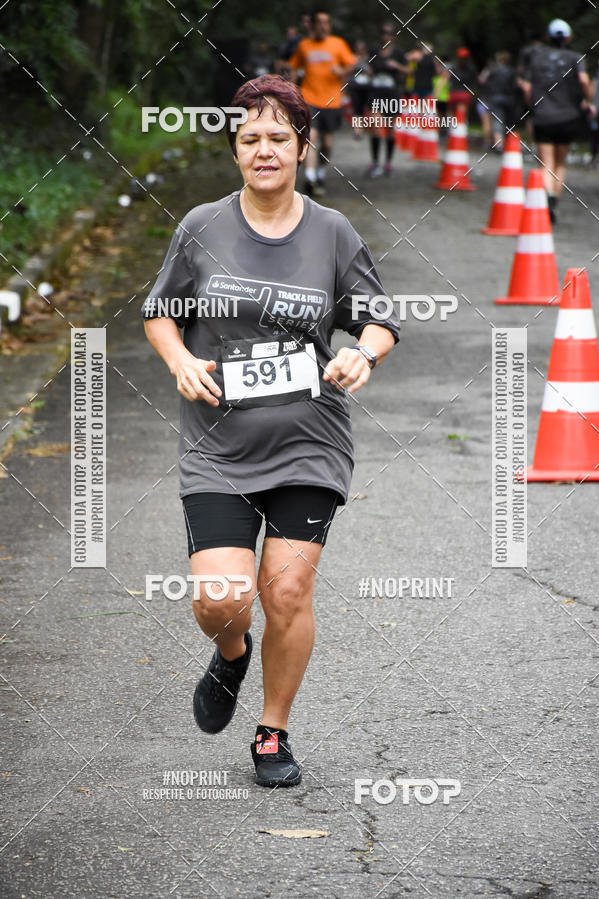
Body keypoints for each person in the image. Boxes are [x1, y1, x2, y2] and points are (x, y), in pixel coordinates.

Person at [142, 74, 400, 788]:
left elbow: (378, 318)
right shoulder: (201, 227)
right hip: (218, 446)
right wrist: (181, 358)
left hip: (308, 440)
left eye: (278, 138)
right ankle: (231, 652)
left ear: (301, 147)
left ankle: (272, 729)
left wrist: (362, 351)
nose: (264, 149)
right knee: (223, 597)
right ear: (235, 150)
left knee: (286, 591)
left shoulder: (332, 231)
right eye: (250, 137)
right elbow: (160, 310)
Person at [519, 18, 594, 223]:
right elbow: (584, 80)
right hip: (568, 116)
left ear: (548, 37)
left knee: (546, 162)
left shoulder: (536, 58)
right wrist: (587, 100)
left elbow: (527, 87)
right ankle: (554, 201)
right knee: (560, 163)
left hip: (543, 116)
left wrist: (532, 107)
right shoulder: (576, 58)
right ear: (568, 37)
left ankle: (547, 197)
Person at [288, 10, 356, 196]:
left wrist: (341, 72)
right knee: (311, 137)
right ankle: (309, 177)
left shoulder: (338, 44)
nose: (323, 25)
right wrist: (294, 89)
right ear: (314, 25)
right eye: (320, 22)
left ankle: (320, 172)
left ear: (329, 26)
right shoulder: (304, 45)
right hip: (309, 98)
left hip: (332, 101)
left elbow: (351, 64)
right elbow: (294, 66)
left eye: (326, 22)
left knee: (327, 144)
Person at [367, 23, 408, 176]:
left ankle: (388, 163)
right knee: (376, 129)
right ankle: (375, 163)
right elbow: (369, 68)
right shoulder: (374, 51)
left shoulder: (398, 53)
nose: (386, 36)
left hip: (392, 95)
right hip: (376, 94)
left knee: (390, 131)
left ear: (394, 37)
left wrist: (397, 66)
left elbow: (409, 70)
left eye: (389, 33)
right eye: (384, 33)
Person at [479, 52, 516, 151]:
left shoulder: (493, 70)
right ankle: (508, 143)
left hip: (495, 98)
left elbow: (482, 80)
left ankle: (499, 144)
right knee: (507, 122)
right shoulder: (512, 71)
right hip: (509, 99)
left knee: (497, 121)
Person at [447, 46, 478, 117]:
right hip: (464, 95)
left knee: (452, 115)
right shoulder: (471, 69)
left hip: (453, 94)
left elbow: (447, 80)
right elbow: (475, 83)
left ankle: (452, 126)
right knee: (461, 115)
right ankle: (460, 125)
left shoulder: (453, 67)